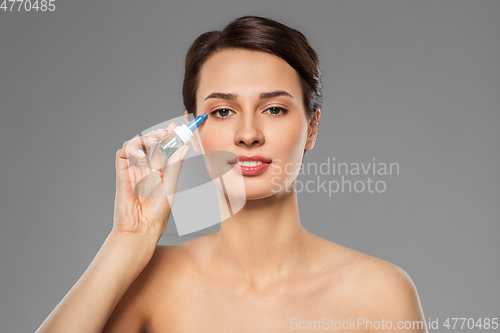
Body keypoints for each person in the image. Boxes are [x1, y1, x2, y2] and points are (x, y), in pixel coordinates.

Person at [36, 15, 427, 333]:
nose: (248, 135)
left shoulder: (379, 296)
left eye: (274, 109)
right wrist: (128, 238)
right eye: (223, 111)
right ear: (192, 129)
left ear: (312, 127)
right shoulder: (149, 284)